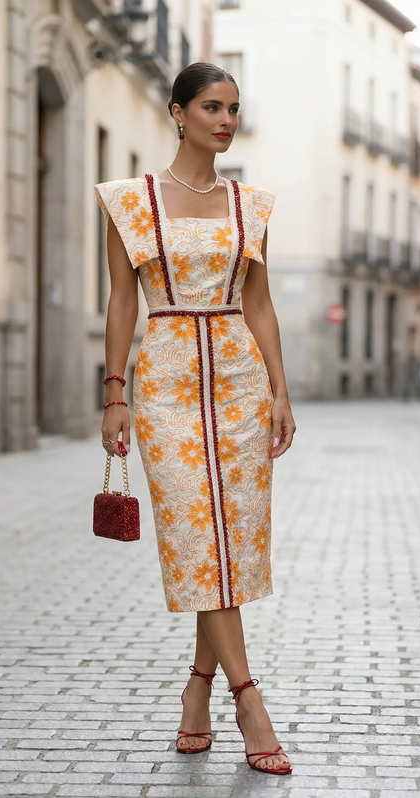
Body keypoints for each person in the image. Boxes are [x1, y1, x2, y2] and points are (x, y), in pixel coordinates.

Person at [95, 62, 296, 775]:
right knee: (193, 534)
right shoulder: (130, 200)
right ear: (178, 112)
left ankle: (196, 690)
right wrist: (114, 390)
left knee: (232, 541)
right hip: (165, 384)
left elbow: (262, 302)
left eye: (234, 108)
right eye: (211, 106)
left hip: (239, 382)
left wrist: (279, 388)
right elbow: (122, 300)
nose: (225, 119)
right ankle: (247, 698)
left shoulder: (252, 205)